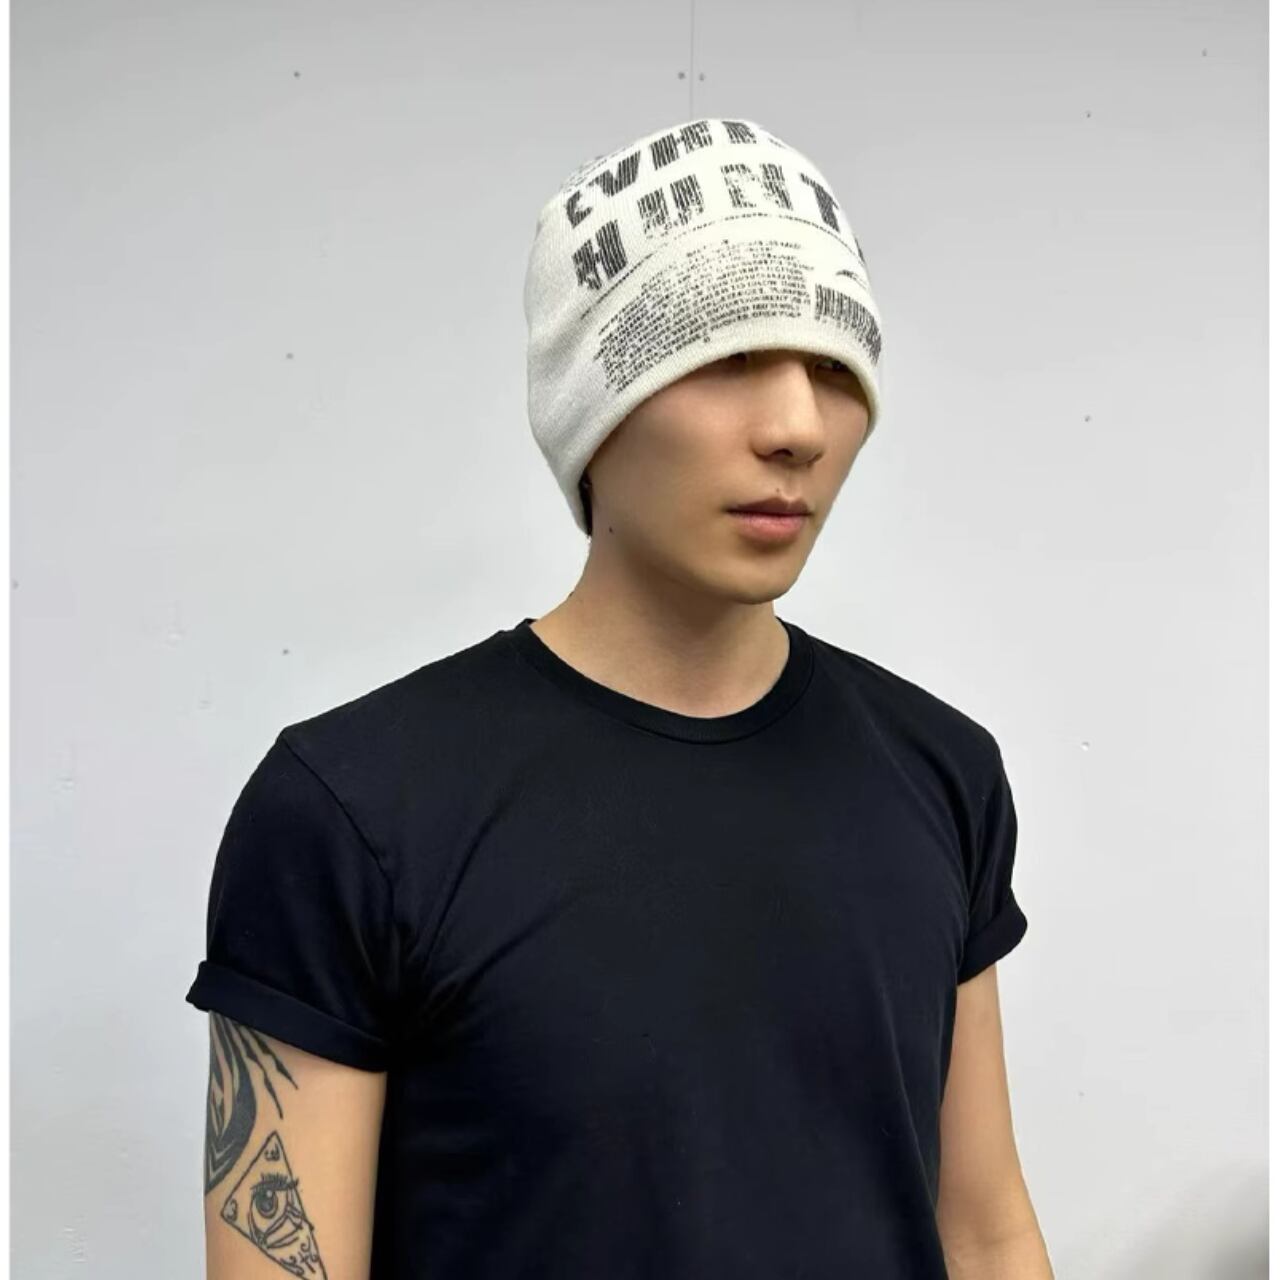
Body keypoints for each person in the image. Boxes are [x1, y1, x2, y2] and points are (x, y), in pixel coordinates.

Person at [187, 116, 1053, 1279]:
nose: (796, 427)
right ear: (590, 404)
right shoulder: (353, 810)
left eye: (833, 364)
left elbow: (983, 1230)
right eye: (725, 356)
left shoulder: (938, 771)